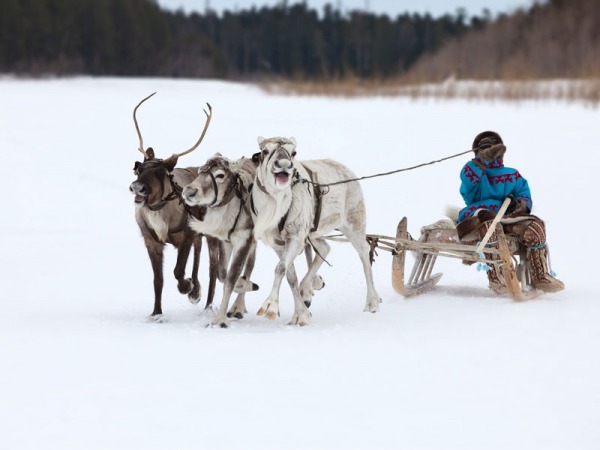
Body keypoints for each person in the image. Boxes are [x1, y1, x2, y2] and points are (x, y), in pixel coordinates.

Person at [456, 130, 564, 294]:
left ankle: (540, 274)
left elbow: (524, 193)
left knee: (536, 226)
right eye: (485, 148)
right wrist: (480, 161)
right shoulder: (474, 173)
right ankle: (497, 277)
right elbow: (467, 179)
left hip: (509, 216)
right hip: (481, 214)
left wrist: (518, 204)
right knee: (489, 229)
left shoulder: (512, 174)